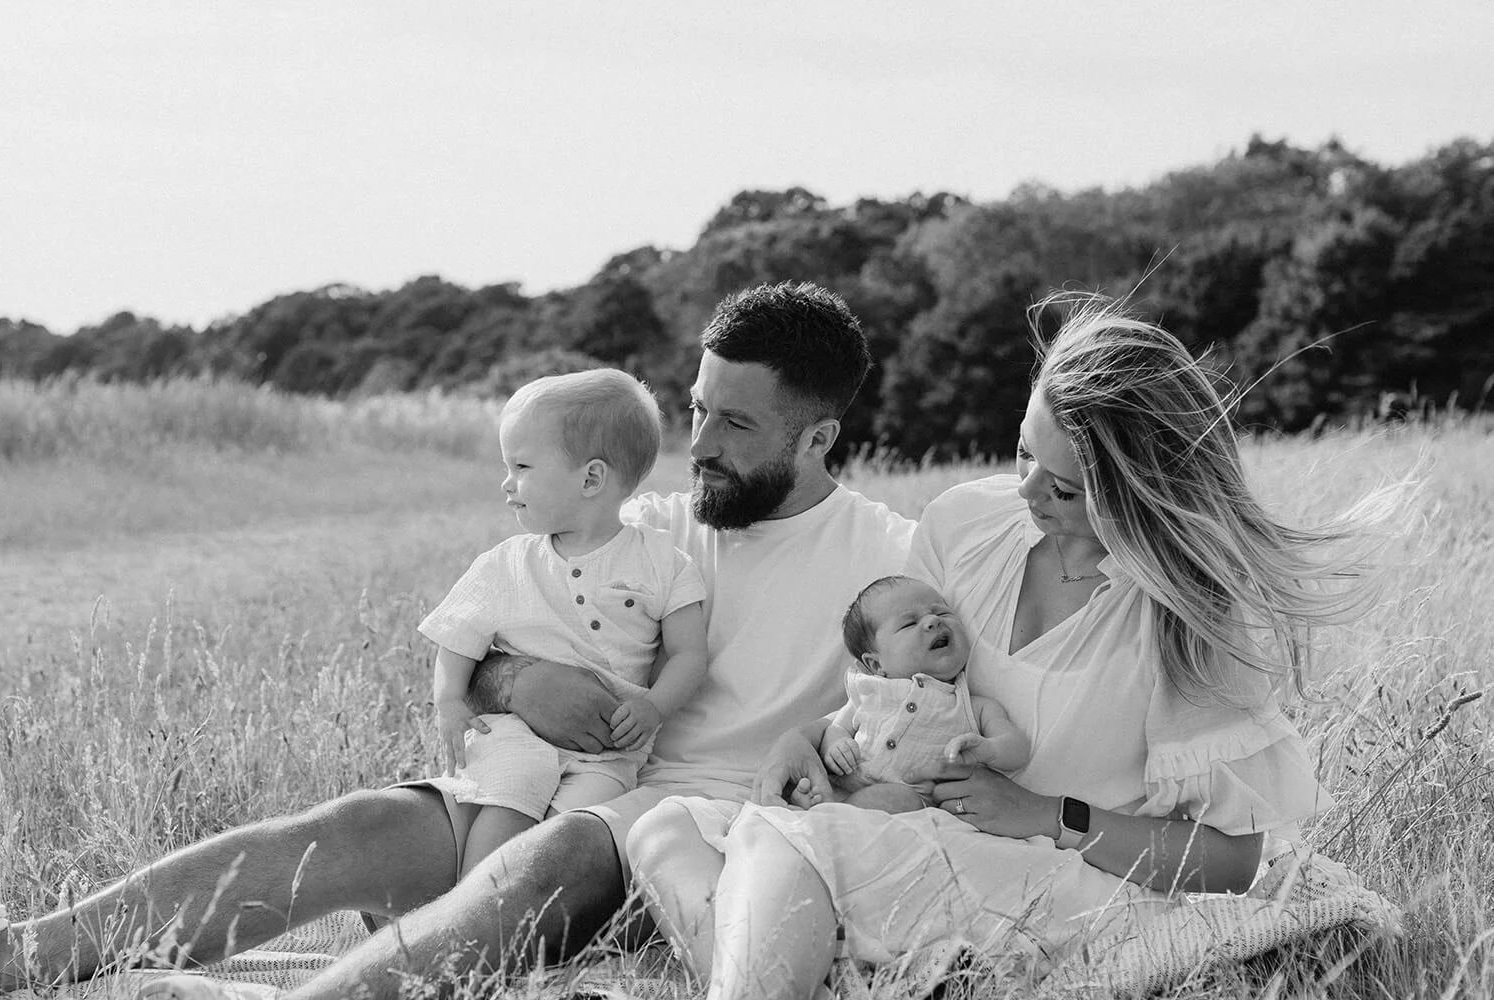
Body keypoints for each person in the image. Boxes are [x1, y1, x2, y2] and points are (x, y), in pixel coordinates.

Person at [0, 281, 915, 1000]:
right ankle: (24, 954)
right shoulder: (643, 526)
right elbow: (478, 651)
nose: (701, 440)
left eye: (737, 423)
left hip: (703, 840)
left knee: (555, 853)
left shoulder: (887, 557)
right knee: (357, 825)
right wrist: (517, 686)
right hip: (556, 785)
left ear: (818, 436)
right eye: (698, 406)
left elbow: (922, 731)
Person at [630, 290, 1400, 1000]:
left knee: (782, 844)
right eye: (1024, 453)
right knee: (665, 830)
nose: (1026, 493)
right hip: (921, 834)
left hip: (1062, 874)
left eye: (1064, 488)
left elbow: (1235, 862)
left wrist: (1043, 813)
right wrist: (804, 739)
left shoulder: (1186, 622)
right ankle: (846, 978)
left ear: (1140, 490)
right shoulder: (967, 522)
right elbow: (898, 686)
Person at [420, 368, 708, 873]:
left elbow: (689, 654)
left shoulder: (663, 563)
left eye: (522, 466)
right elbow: (458, 638)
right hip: (516, 731)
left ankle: (524, 919)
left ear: (591, 478)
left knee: (569, 835)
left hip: (610, 749)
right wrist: (448, 701)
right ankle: (470, 905)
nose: (507, 483)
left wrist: (655, 708)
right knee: (508, 798)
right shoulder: (507, 563)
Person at [813, 575, 1030, 812]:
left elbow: (1018, 749)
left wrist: (989, 750)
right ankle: (822, 810)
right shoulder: (870, 692)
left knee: (898, 799)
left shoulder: (974, 707)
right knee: (816, 785)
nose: (932, 620)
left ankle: (832, 817)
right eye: (909, 623)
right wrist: (836, 746)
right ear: (876, 665)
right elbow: (836, 728)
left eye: (943, 612)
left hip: (914, 806)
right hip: (850, 783)